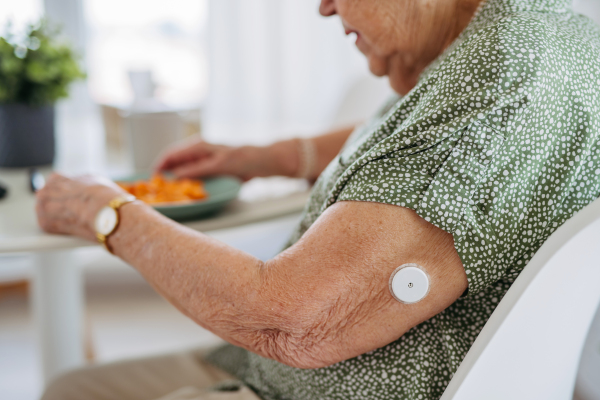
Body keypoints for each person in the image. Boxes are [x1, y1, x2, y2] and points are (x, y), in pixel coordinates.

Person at [37, 0, 600, 399]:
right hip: (296, 373)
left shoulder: (497, 82)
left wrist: (107, 214)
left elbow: (295, 323)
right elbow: (420, 144)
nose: (325, 7)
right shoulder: (537, 32)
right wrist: (273, 157)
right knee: (72, 388)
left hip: (325, 385)